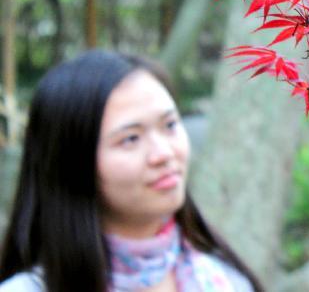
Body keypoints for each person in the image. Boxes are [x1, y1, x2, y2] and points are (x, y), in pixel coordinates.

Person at [0, 50, 263, 292]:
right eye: (131, 139)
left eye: (170, 125)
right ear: (71, 163)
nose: (163, 153)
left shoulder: (226, 282)